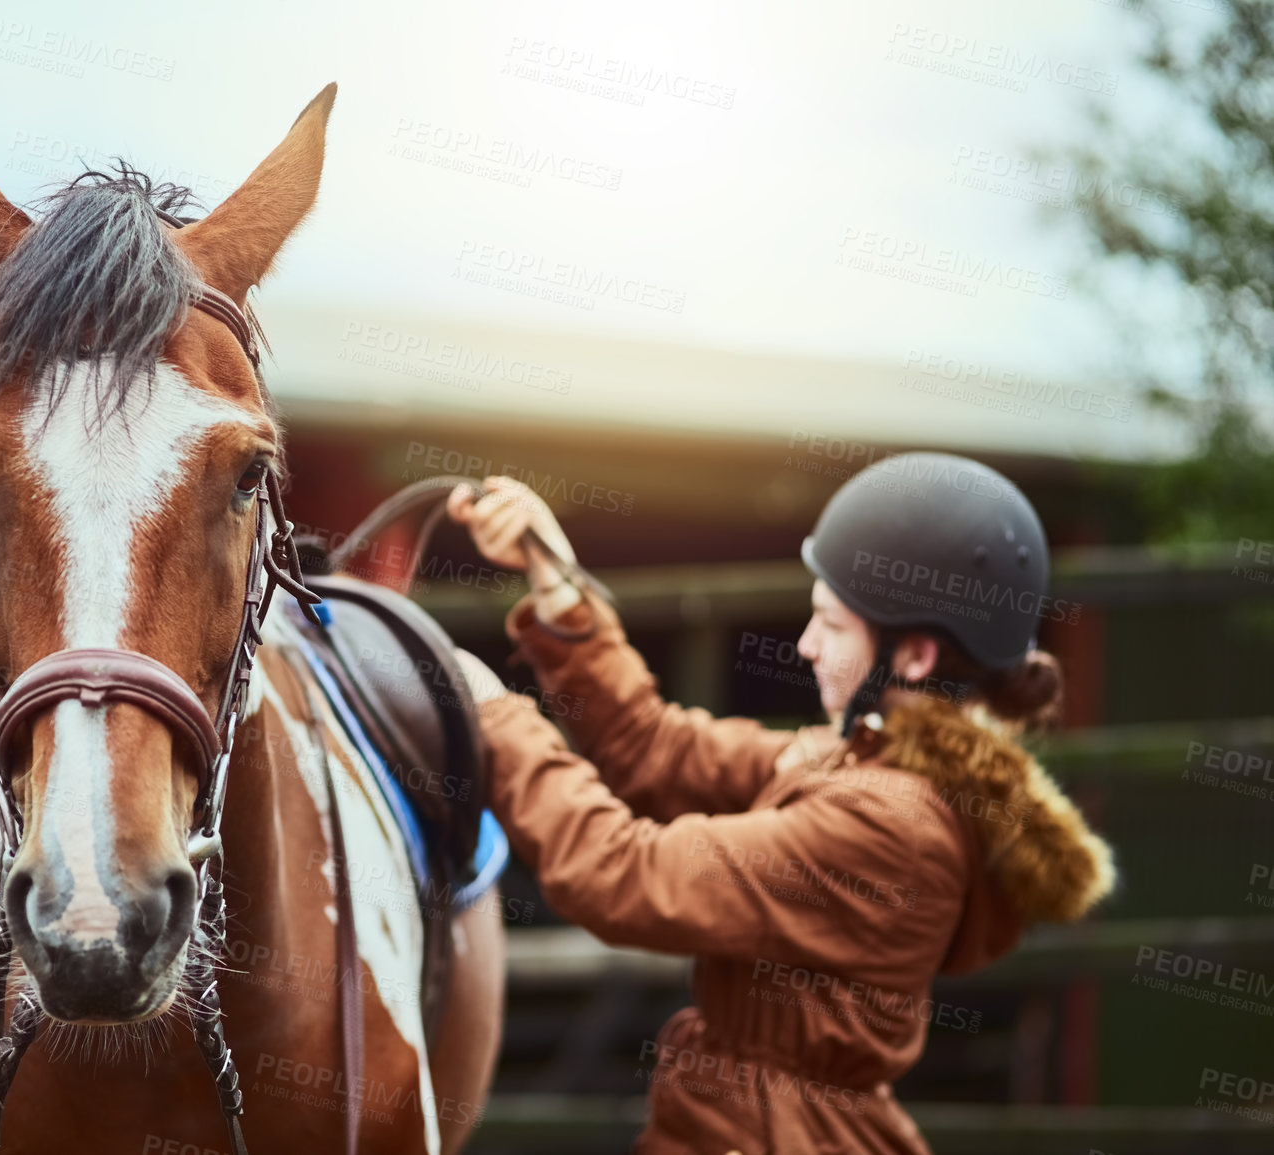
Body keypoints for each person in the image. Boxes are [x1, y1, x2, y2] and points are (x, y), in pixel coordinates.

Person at [446, 452, 1115, 1155]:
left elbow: (620, 874)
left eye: (830, 622)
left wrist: (494, 712)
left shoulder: (887, 822)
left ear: (913, 656)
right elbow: (652, 748)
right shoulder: (857, 760)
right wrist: (554, 582)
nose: (803, 644)